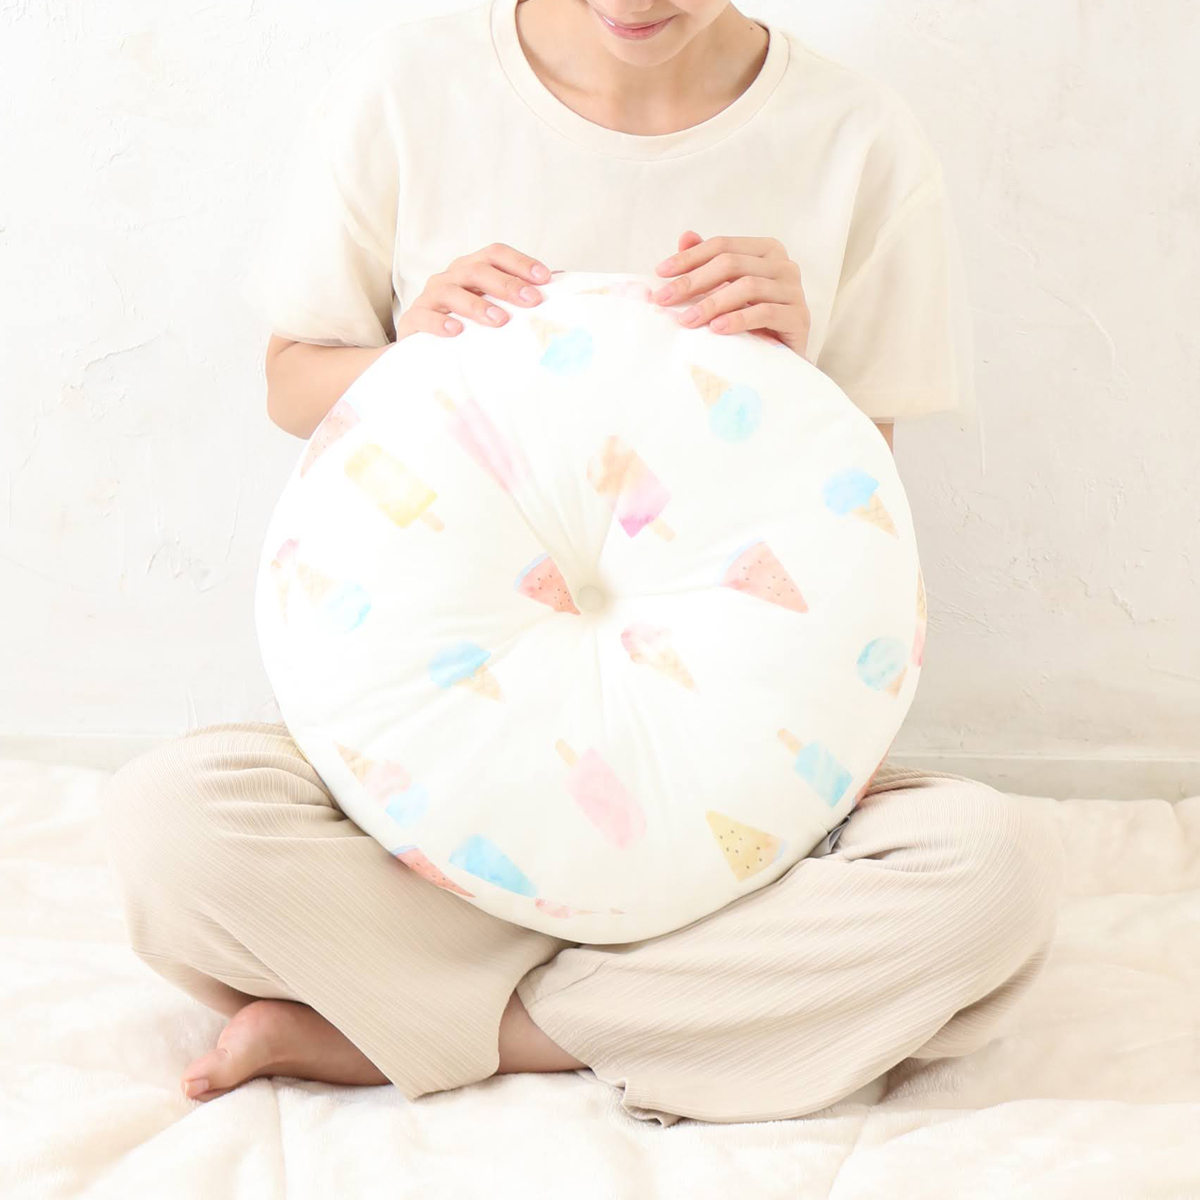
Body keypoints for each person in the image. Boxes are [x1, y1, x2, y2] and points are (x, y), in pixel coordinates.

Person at [98, 0, 1060, 1127]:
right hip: (434, 785)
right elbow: (290, 380)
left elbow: (860, 512)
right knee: (170, 825)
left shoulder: (857, 140)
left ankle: (457, 1025)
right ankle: (676, 1007)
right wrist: (411, 354)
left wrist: (797, 371)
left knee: (993, 874)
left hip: (729, 806)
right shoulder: (410, 88)